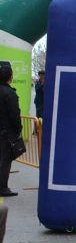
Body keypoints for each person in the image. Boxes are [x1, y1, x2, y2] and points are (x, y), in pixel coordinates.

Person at [0, 65, 22, 197]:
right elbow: (14, 114)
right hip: (5, 132)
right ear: (10, 77)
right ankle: (2, 187)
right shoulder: (9, 93)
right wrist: (18, 129)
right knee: (5, 159)